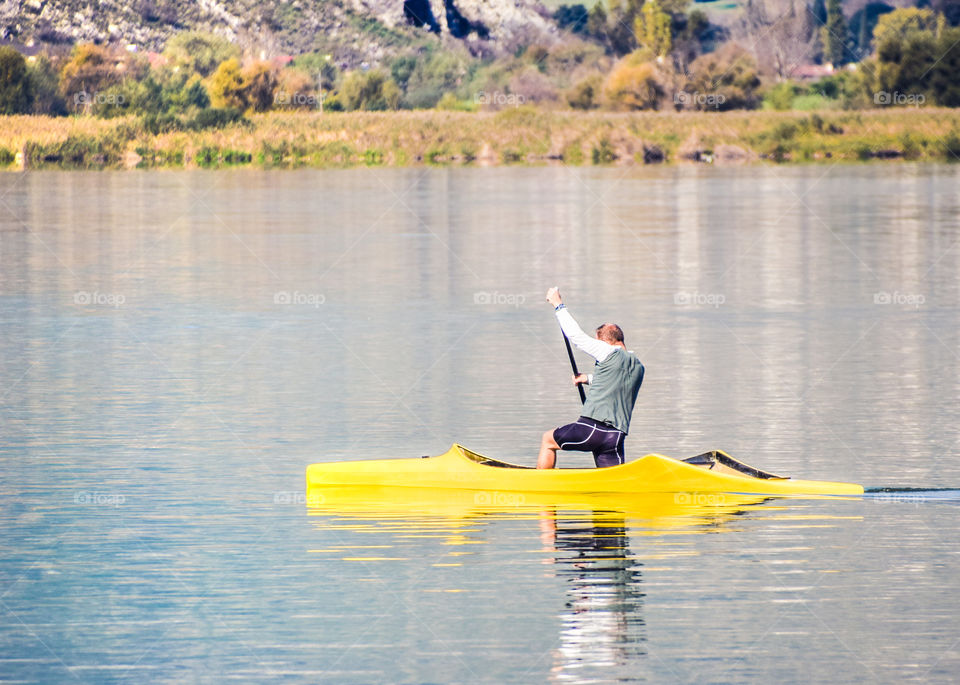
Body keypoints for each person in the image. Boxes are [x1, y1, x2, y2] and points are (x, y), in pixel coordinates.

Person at [538, 287, 645, 469]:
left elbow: (576, 336)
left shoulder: (606, 350)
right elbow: (614, 383)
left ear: (603, 341)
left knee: (548, 440)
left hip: (591, 430)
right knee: (613, 481)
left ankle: (539, 485)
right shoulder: (638, 366)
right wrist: (586, 378)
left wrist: (558, 304)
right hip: (616, 436)